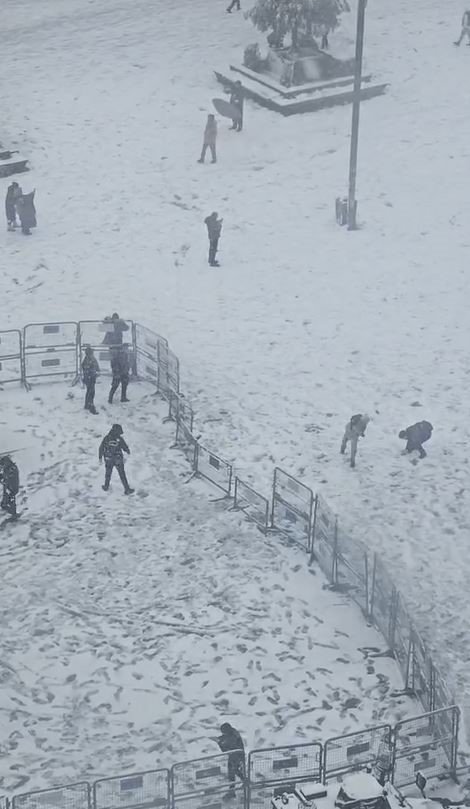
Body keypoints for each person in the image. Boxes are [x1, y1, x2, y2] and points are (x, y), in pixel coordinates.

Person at [99, 424, 134, 494]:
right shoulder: (119, 439)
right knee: (122, 474)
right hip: (118, 459)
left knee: (108, 473)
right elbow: (125, 447)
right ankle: (127, 489)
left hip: (108, 458)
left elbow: (101, 448)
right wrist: (127, 451)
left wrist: (100, 457)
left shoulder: (107, 438)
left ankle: (106, 486)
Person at [217, 723, 245, 798]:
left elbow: (226, 749)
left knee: (232, 773)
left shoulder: (232, 737)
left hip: (236, 756)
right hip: (236, 756)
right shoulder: (233, 733)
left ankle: (232, 792)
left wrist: (220, 743)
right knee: (235, 771)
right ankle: (245, 781)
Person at [81, 346, 100, 414]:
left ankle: (87, 405)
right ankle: (91, 407)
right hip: (89, 378)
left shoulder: (92, 359)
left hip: (92, 377)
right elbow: (86, 370)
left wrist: (96, 372)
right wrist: (91, 374)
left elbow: (97, 367)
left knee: (89, 391)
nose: (92, 353)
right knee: (91, 393)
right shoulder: (87, 360)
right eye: (91, 352)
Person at [0, 456, 19, 520]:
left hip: (12, 488)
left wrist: (3, 478)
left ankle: (14, 514)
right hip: (8, 488)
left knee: (10, 502)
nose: (2, 466)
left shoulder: (12, 468)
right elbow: (5, 477)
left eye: (3, 464)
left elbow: (9, 477)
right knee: (4, 504)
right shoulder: (7, 468)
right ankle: (12, 513)